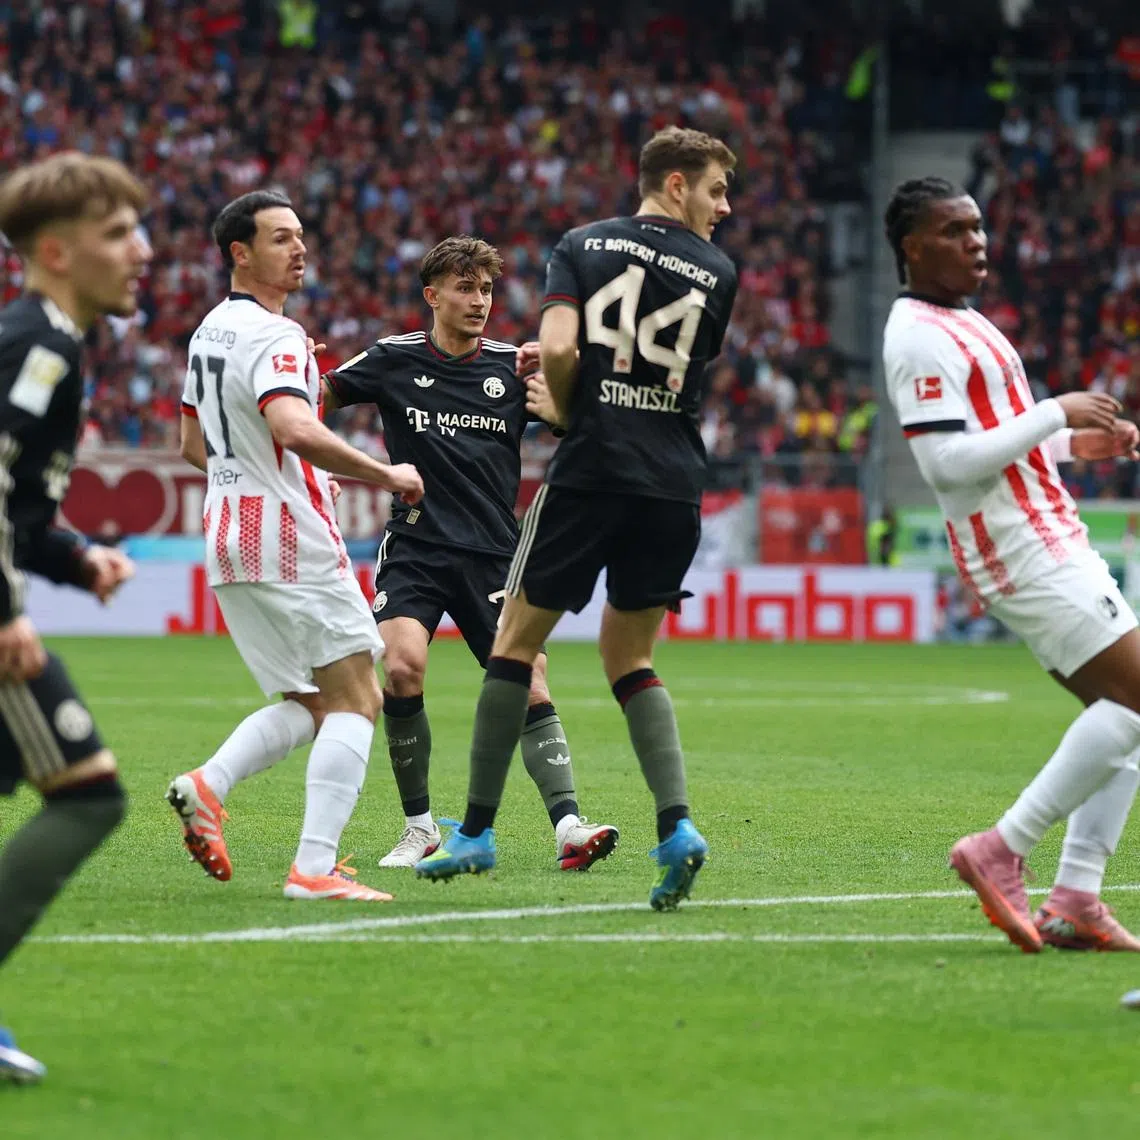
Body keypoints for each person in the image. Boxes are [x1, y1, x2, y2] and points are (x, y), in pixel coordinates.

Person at [415, 125, 739, 910]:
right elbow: (659, 366)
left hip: (595, 469)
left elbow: (563, 345)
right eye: (716, 190)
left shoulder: (584, 245)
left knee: (514, 644)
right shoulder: (720, 271)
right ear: (674, 186)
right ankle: (677, 828)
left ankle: (477, 833)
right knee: (630, 658)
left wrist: (562, 402)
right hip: (673, 481)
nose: (724, 208)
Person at [883, 176, 1140, 953]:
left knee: (1127, 722)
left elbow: (998, 439)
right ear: (912, 246)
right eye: (955, 231)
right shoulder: (917, 335)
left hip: (1046, 532)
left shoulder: (964, 322)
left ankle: (1075, 899)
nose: (977, 242)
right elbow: (949, 466)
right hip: (1022, 549)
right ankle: (1002, 847)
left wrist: (1069, 445)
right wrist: (1055, 411)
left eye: (979, 229)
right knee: (1134, 705)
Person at [322, 236, 619, 870]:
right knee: (401, 669)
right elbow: (313, 399)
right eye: (465, 288)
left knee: (528, 680)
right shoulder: (392, 359)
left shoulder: (514, 366)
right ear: (432, 295)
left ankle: (569, 826)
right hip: (416, 547)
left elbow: (579, 419)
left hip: (494, 554)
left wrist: (564, 385)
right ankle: (419, 827)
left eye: (485, 289)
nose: (479, 301)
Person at [165, 191, 423, 901]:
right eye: (281, 238)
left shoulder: (210, 331)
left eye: (301, 236)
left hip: (227, 534)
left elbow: (193, 444)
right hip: (288, 536)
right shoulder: (277, 336)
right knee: (358, 698)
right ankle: (314, 867)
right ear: (240, 254)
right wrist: (386, 473)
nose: (299, 248)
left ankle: (207, 785)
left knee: (311, 700)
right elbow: (293, 426)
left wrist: (267, 474)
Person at [0, 153, 148, 1082]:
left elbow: (16, 500)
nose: (141, 252)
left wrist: (71, 555)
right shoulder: (39, 341)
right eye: (117, 235)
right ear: (56, 251)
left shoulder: (55, 336)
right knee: (88, 789)